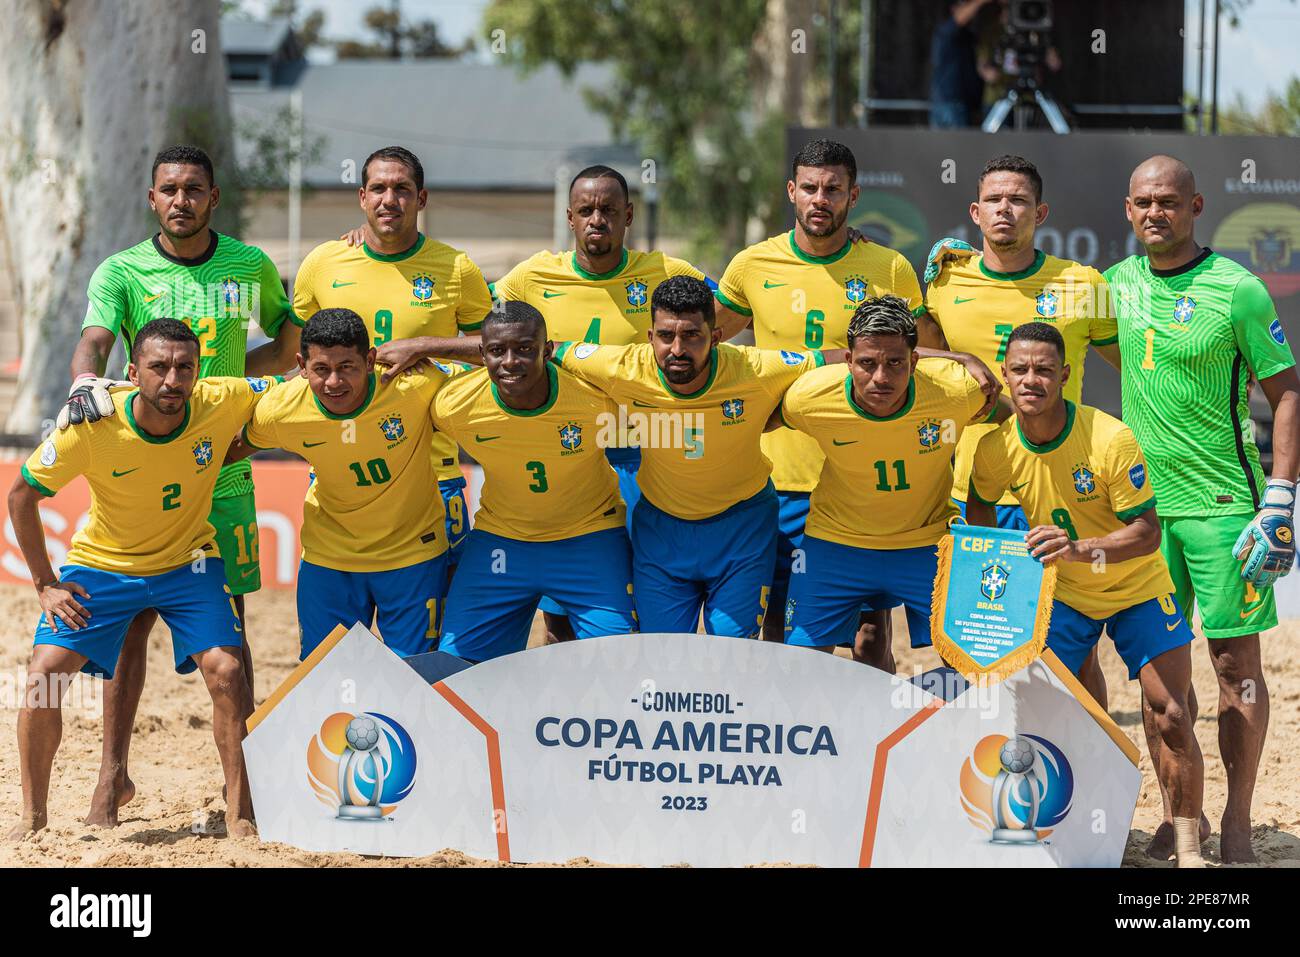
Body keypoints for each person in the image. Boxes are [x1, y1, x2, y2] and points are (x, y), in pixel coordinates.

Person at [57, 144, 301, 827]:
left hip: (223, 471)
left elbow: (287, 341)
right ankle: (111, 777)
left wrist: (231, 385)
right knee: (132, 619)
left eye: (195, 188)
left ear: (214, 197)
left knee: (232, 639)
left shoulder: (249, 266)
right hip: (146, 466)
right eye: (169, 188)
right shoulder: (122, 270)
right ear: (151, 197)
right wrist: (84, 382)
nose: (181, 199)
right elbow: (95, 339)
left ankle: (242, 797)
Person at [716, 139, 992, 658]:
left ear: (854, 195)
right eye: (811, 188)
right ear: (791, 192)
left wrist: (958, 361)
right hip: (781, 475)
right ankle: (797, 731)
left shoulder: (887, 267)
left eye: (834, 189)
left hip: (865, 477)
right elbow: (705, 346)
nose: (821, 199)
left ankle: (876, 738)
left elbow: (922, 352)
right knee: (782, 628)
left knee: (871, 631)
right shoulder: (752, 264)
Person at [9, 319, 275, 840]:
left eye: (184, 368)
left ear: (198, 373)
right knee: (44, 674)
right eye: (158, 367)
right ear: (132, 373)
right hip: (105, 565)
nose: (172, 380)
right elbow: (21, 496)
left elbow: (297, 381)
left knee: (226, 670)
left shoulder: (222, 398)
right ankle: (32, 818)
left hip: (188, 562)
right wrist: (45, 583)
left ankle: (240, 813)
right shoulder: (89, 425)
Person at [1107, 154, 1300, 864]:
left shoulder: (1238, 289)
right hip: (1144, 516)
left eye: (1168, 201)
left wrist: (1280, 497)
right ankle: (1179, 818)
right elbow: (1029, 311)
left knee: (1234, 665)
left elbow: (1287, 395)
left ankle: (1241, 820)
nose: (1154, 212)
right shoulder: (1113, 287)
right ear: (1128, 211)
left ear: (1195, 207)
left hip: (1225, 510)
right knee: (1161, 678)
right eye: (1142, 202)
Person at [966, 321, 1205, 867]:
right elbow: (978, 510)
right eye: (1021, 369)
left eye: (1045, 369)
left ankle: (1188, 842)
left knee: (1170, 712)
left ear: (1066, 376)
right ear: (1004, 376)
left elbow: (1147, 532)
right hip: (1064, 595)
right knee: (1053, 717)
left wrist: (1079, 549)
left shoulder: (1108, 437)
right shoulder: (994, 449)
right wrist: (998, 569)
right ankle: (1088, 827)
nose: (1032, 379)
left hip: (1136, 587)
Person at [921, 153, 1119, 705]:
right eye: (994, 200)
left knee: (1070, 650)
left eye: (1018, 201)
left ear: (1041, 211)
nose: (1005, 210)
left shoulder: (1083, 283)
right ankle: (985, 761)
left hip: (1059, 493)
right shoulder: (944, 279)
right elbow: (911, 354)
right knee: (974, 639)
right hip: (969, 487)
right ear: (975, 211)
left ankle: (1084, 761)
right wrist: (959, 357)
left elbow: (1137, 367)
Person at [555, 276, 837, 637]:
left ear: (716, 337)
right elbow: (537, 349)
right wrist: (459, 353)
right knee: (662, 654)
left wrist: (918, 359)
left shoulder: (757, 369)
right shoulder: (621, 366)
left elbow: (844, 359)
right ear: (650, 337)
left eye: (691, 335)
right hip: (661, 532)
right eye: (665, 336)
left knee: (732, 656)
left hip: (743, 531)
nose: (676, 348)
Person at [295, 145, 492, 579]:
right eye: (378, 188)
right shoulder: (322, 264)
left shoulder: (456, 267)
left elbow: (495, 350)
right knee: (339, 635)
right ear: (362, 197)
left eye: (402, 189)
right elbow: (297, 357)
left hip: (432, 471)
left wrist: (423, 345)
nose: (389, 199)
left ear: (421, 199)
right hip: (338, 472)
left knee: (434, 634)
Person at [778, 295, 990, 665]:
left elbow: (1015, 419)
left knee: (975, 659)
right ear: (847, 361)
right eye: (867, 363)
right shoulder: (807, 398)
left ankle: (955, 724)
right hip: (836, 541)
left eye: (895, 363)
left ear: (916, 361)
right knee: (800, 664)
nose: (881, 377)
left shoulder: (957, 392)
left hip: (926, 542)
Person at [235, 309, 452, 659]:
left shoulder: (413, 384)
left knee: (417, 678)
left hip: (413, 555)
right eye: (321, 369)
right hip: (330, 559)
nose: (334, 382)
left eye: (346, 367)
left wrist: (424, 345)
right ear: (301, 366)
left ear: (369, 360)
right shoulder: (281, 408)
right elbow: (227, 447)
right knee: (327, 676)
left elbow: (502, 359)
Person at [435, 302, 637, 662]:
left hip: (590, 538)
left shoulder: (598, 399)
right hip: (503, 541)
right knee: (455, 669)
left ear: (547, 350)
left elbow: (670, 421)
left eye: (525, 349)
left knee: (621, 663)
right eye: (497, 351)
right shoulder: (453, 404)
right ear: (482, 354)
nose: (511, 361)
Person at [929, 0, 997, 128]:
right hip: (949, 103)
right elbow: (959, 18)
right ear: (953, 8)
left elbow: (980, 63)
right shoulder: (945, 31)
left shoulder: (970, 36)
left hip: (966, 103)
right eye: (964, 4)